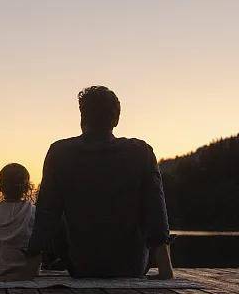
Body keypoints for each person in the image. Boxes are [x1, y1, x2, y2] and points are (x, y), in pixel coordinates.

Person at [21, 86, 174, 279]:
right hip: (131, 266)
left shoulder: (60, 152)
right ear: (116, 120)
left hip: (82, 266)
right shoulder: (141, 152)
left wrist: (31, 267)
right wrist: (165, 270)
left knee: (56, 210)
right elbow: (155, 209)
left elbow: (47, 212)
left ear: (82, 118)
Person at [0, 163, 37, 277]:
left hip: (0, 270)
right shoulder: (33, 211)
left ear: (0, 186)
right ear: (26, 187)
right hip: (27, 271)